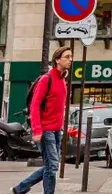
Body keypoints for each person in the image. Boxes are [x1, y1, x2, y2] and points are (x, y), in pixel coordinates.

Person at [12, 47, 71, 194]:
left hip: (57, 130)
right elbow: (35, 105)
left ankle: (21, 188)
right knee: (52, 166)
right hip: (45, 130)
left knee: (51, 165)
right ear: (57, 59)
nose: (70, 60)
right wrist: (37, 130)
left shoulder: (63, 80)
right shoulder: (47, 79)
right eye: (67, 57)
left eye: (71, 57)